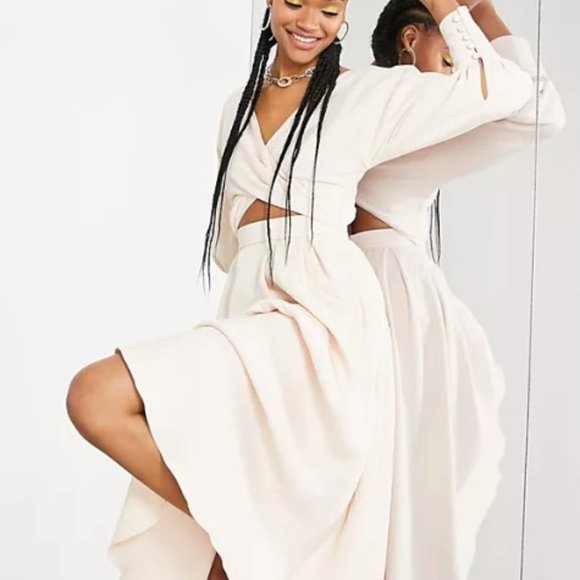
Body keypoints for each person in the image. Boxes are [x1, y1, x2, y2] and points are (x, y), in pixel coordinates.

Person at [65, 0, 534, 578]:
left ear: (344, 17)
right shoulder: (235, 110)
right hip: (252, 311)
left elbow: (507, 88)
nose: (309, 23)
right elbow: (233, 246)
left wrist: (452, 6)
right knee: (220, 561)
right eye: (294, 3)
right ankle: (253, 533)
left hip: (323, 322)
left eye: (329, 11)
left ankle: (249, 531)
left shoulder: (364, 94)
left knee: (97, 395)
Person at [350, 0, 565, 578]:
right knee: (400, 480)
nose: (457, 74)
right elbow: (539, 109)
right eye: (448, 55)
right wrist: (477, 9)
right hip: (387, 294)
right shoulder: (405, 101)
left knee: (370, 479)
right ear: (410, 39)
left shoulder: (357, 96)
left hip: (349, 287)